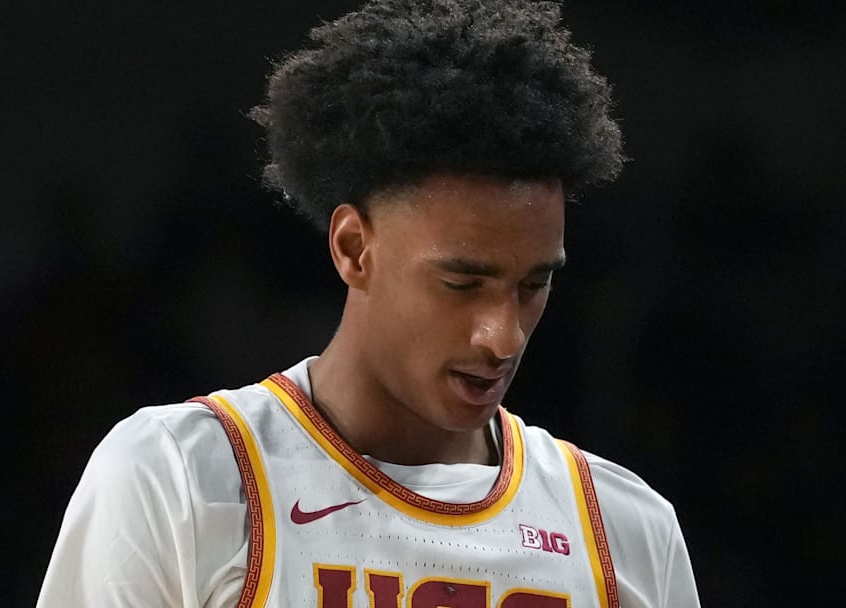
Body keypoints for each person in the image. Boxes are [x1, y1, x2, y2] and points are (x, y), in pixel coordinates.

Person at [37, 0, 700, 606]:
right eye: (461, 284)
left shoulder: (627, 533)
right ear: (354, 248)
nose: (502, 337)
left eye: (532, 285)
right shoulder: (180, 478)